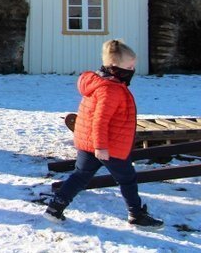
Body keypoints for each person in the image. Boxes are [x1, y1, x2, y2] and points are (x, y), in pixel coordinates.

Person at [44, 39, 163, 229]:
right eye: (130, 66)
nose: (133, 70)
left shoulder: (99, 82)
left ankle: (55, 207)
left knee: (81, 175)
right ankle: (136, 214)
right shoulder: (110, 90)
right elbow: (100, 121)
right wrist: (101, 147)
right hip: (108, 145)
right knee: (127, 178)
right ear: (115, 66)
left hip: (89, 142)